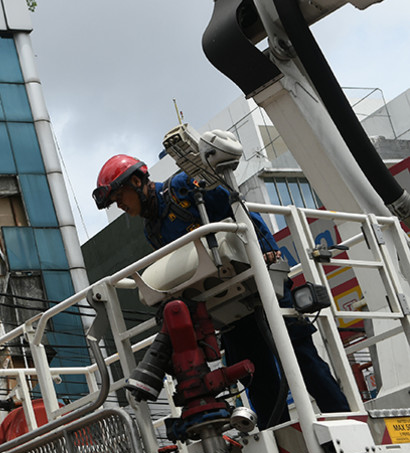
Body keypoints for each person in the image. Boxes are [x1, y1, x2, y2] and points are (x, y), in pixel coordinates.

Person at [93, 154, 349, 428]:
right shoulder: (153, 231)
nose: (120, 205)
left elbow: (238, 210)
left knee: (301, 357)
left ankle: (344, 420)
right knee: (256, 375)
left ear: (136, 181)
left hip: (258, 280)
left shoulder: (181, 188)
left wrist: (269, 253)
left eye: (120, 196)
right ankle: (281, 440)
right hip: (227, 303)